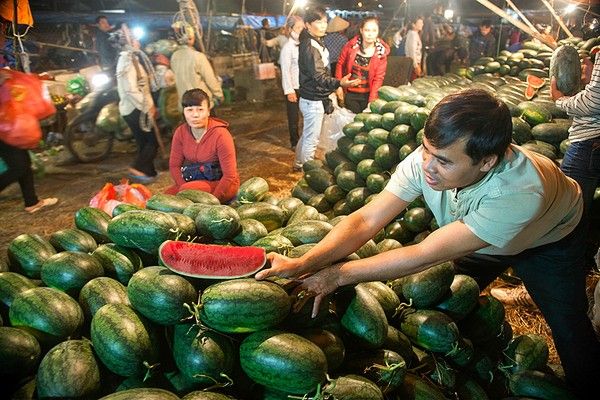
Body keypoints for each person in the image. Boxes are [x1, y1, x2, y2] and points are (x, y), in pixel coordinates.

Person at [257, 89, 600, 399]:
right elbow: (367, 219)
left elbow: (424, 254)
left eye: (444, 161)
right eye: (426, 150)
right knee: (434, 305)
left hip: (550, 238)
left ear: (486, 161)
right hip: (477, 234)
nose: (427, 167)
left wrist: (337, 275)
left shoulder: (521, 191)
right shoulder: (430, 159)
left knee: (566, 320)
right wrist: (307, 262)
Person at [294, 7, 359, 172]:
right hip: (313, 100)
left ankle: (299, 163)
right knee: (312, 139)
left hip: (313, 98)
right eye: (318, 22)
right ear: (308, 24)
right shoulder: (310, 46)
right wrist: (339, 84)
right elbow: (319, 77)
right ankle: (307, 172)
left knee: (308, 134)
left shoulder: (316, 40)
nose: (323, 25)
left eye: (324, 21)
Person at [552, 52, 600, 270]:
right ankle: (583, 263)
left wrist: (560, 100)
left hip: (588, 142)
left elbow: (592, 103)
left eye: (586, 64)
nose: (583, 68)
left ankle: (566, 270)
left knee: (570, 210)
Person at [165, 88, 239, 203]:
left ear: (208, 111)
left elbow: (230, 175)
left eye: (200, 109)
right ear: (183, 112)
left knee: (185, 192)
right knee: (166, 196)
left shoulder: (221, 135)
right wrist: (183, 189)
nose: (195, 115)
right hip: (196, 179)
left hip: (222, 183)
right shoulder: (180, 132)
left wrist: (213, 202)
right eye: (189, 110)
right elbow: (174, 166)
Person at [112, 30, 158, 183]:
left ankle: (149, 172)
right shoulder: (126, 62)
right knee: (152, 142)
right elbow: (131, 89)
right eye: (135, 40)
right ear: (129, 44)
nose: (138, 42)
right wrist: (147, 107)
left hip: (136, 108)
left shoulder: (133, 59)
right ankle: (137, 167)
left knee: (143, 142)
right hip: (135, 109)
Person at [335, 17, 390, 114]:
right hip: (350, 93)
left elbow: (378, 78)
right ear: (361, 30)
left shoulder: (381, 53)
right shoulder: (351, 46)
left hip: (367, 94)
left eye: (374, 30)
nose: (370, 34)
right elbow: (340, 64)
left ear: (377, 32)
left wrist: (372, 102)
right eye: (367, 30)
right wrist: (338, 85)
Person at [170, 22, 223, 112]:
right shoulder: (198, 56)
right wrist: (219, 94)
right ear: (191, 38)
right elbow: (210, 79)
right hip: (200, 104)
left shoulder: (174, 56)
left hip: (185, 106)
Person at [279, 15, 304, 150]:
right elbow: (285, 70)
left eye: (302, 27)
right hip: (293, 87)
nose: (301, 30)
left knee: (306, 116)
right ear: (290, 29)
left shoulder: (303, 44)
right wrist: (289, 91)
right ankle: (294, 142)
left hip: (304, 87)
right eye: (298, 28)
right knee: (294, 118)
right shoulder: (287, 48)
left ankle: (304, 141)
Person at [405, 16, 424, 81]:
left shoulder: (414, 34)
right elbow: (412, 51)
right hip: (413, 63)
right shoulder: (413, 34)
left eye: (422, 23)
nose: (422, 24)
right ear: (413, 24)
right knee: (412, 81)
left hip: (413, 62)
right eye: (420, 23)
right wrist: (416, 66)